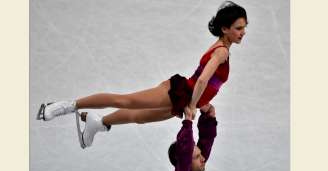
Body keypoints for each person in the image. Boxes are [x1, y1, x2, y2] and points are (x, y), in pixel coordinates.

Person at [37, 1, 247, 148]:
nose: (242, 32)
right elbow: (202, 80)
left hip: (184, 100)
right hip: (179, 93)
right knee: (125, 100)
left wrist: (203, 104)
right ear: (225, 28)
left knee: (139, 118)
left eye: (244, 28)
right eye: (238, 28)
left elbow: (206, 83)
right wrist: (193, 106)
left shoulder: (222, 48)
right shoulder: (221, 52)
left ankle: (98, 123)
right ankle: (64, 106)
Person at [167, 104, 217, 171]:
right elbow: (185, 153)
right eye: (197, 157)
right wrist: (188, 120)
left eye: (200, 155)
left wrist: (208, 116)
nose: (203, 158)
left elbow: (206, 141)